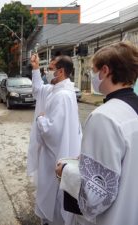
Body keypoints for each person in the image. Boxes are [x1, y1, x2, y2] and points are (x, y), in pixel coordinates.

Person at [55, 42, 138, 225]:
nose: (92, 75)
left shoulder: (105, 117)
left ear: (105, 71)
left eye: (93, 70)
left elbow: (97, 195)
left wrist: (65, 171)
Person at [27, 55, 82, 225]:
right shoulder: (55, 89)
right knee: (49, 189)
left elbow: (52, 131)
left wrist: (40, 120)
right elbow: (37, 90)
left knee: (54, 193)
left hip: (56, 152)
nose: (47, 72)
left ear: (60, 71)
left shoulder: (63, 95)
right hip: (54, 151)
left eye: (50, 69)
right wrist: (35, 68)